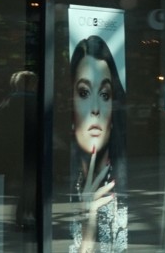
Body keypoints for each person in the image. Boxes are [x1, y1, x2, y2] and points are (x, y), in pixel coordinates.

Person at [68, 36, 127, 253]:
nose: (95, 108)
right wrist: (88, 222)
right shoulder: (64, 180)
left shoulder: (120, 184)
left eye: (104, 95)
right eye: (84, 93)